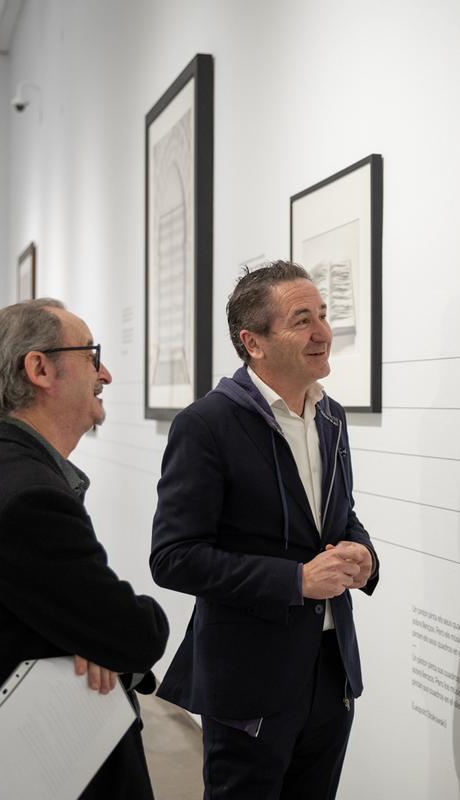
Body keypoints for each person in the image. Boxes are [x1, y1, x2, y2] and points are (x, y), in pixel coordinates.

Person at [150, 261, 379, 799]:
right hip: (249, 683)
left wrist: (363, 553)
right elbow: (174, 557)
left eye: (322, 314)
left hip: (330, 671)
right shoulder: (206, 425)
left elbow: (337, 515)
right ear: (253, 342)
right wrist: (296, 580)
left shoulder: (331, 417)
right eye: (302, 320)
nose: (323, 332)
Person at [0, 298, 169, 799]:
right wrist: (108, 639)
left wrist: (96, 638)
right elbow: (137, 634)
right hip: (41, 775)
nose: (105, 373)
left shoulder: (11, 473)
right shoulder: (26, 498)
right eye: (91, 355)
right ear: (40, 369)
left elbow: (103, 630)